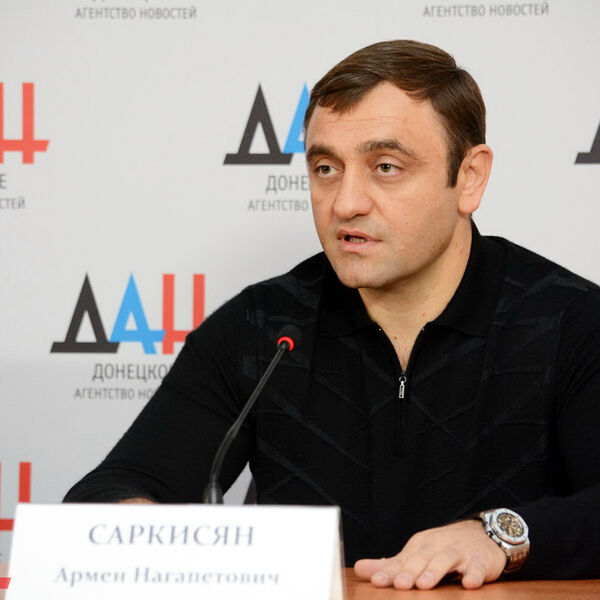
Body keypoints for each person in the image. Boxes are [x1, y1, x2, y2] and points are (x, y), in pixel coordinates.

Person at [64, 40, 600, 589]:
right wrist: (141, 529)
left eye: (385, 167)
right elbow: (108, 492)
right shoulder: (263, 328)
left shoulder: (571, 322)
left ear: (469, 178)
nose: (345, 203)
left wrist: (500, 537)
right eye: (325, 168)